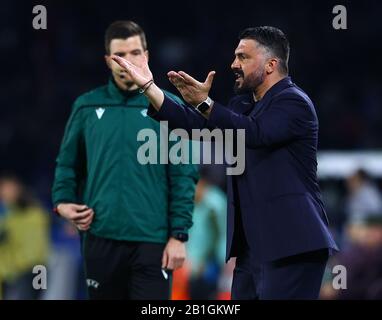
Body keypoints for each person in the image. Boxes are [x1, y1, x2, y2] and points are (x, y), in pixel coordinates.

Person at [112, 26, 339, 299]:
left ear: (270, 65)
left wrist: (206, 104)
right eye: (235, 56)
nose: (234, 64)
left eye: (243, 57)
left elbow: (255, 133)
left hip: (292, 244)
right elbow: (194, 126)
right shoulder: (243, 106)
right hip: (252, 251)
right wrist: (150, 87)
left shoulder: (293, 102)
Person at [52, 20, 198, 300]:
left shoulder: (170, 108)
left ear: (147, 56)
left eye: (134, 53)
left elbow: (183, 174)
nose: (126, 61)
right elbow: (67, 164)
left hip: (153, 242)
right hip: (100, 237)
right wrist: (62, 203)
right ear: (108, 60)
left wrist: (179, 235)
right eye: (119, 55)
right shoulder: (86, 106)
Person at [0, 174, 50, 300]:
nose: (6, 192)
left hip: (40, 267)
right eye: (4, 189)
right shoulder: (6, 215)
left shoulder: (37, 211)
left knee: (37, 296)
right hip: (16, 270)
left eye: (10, 188)